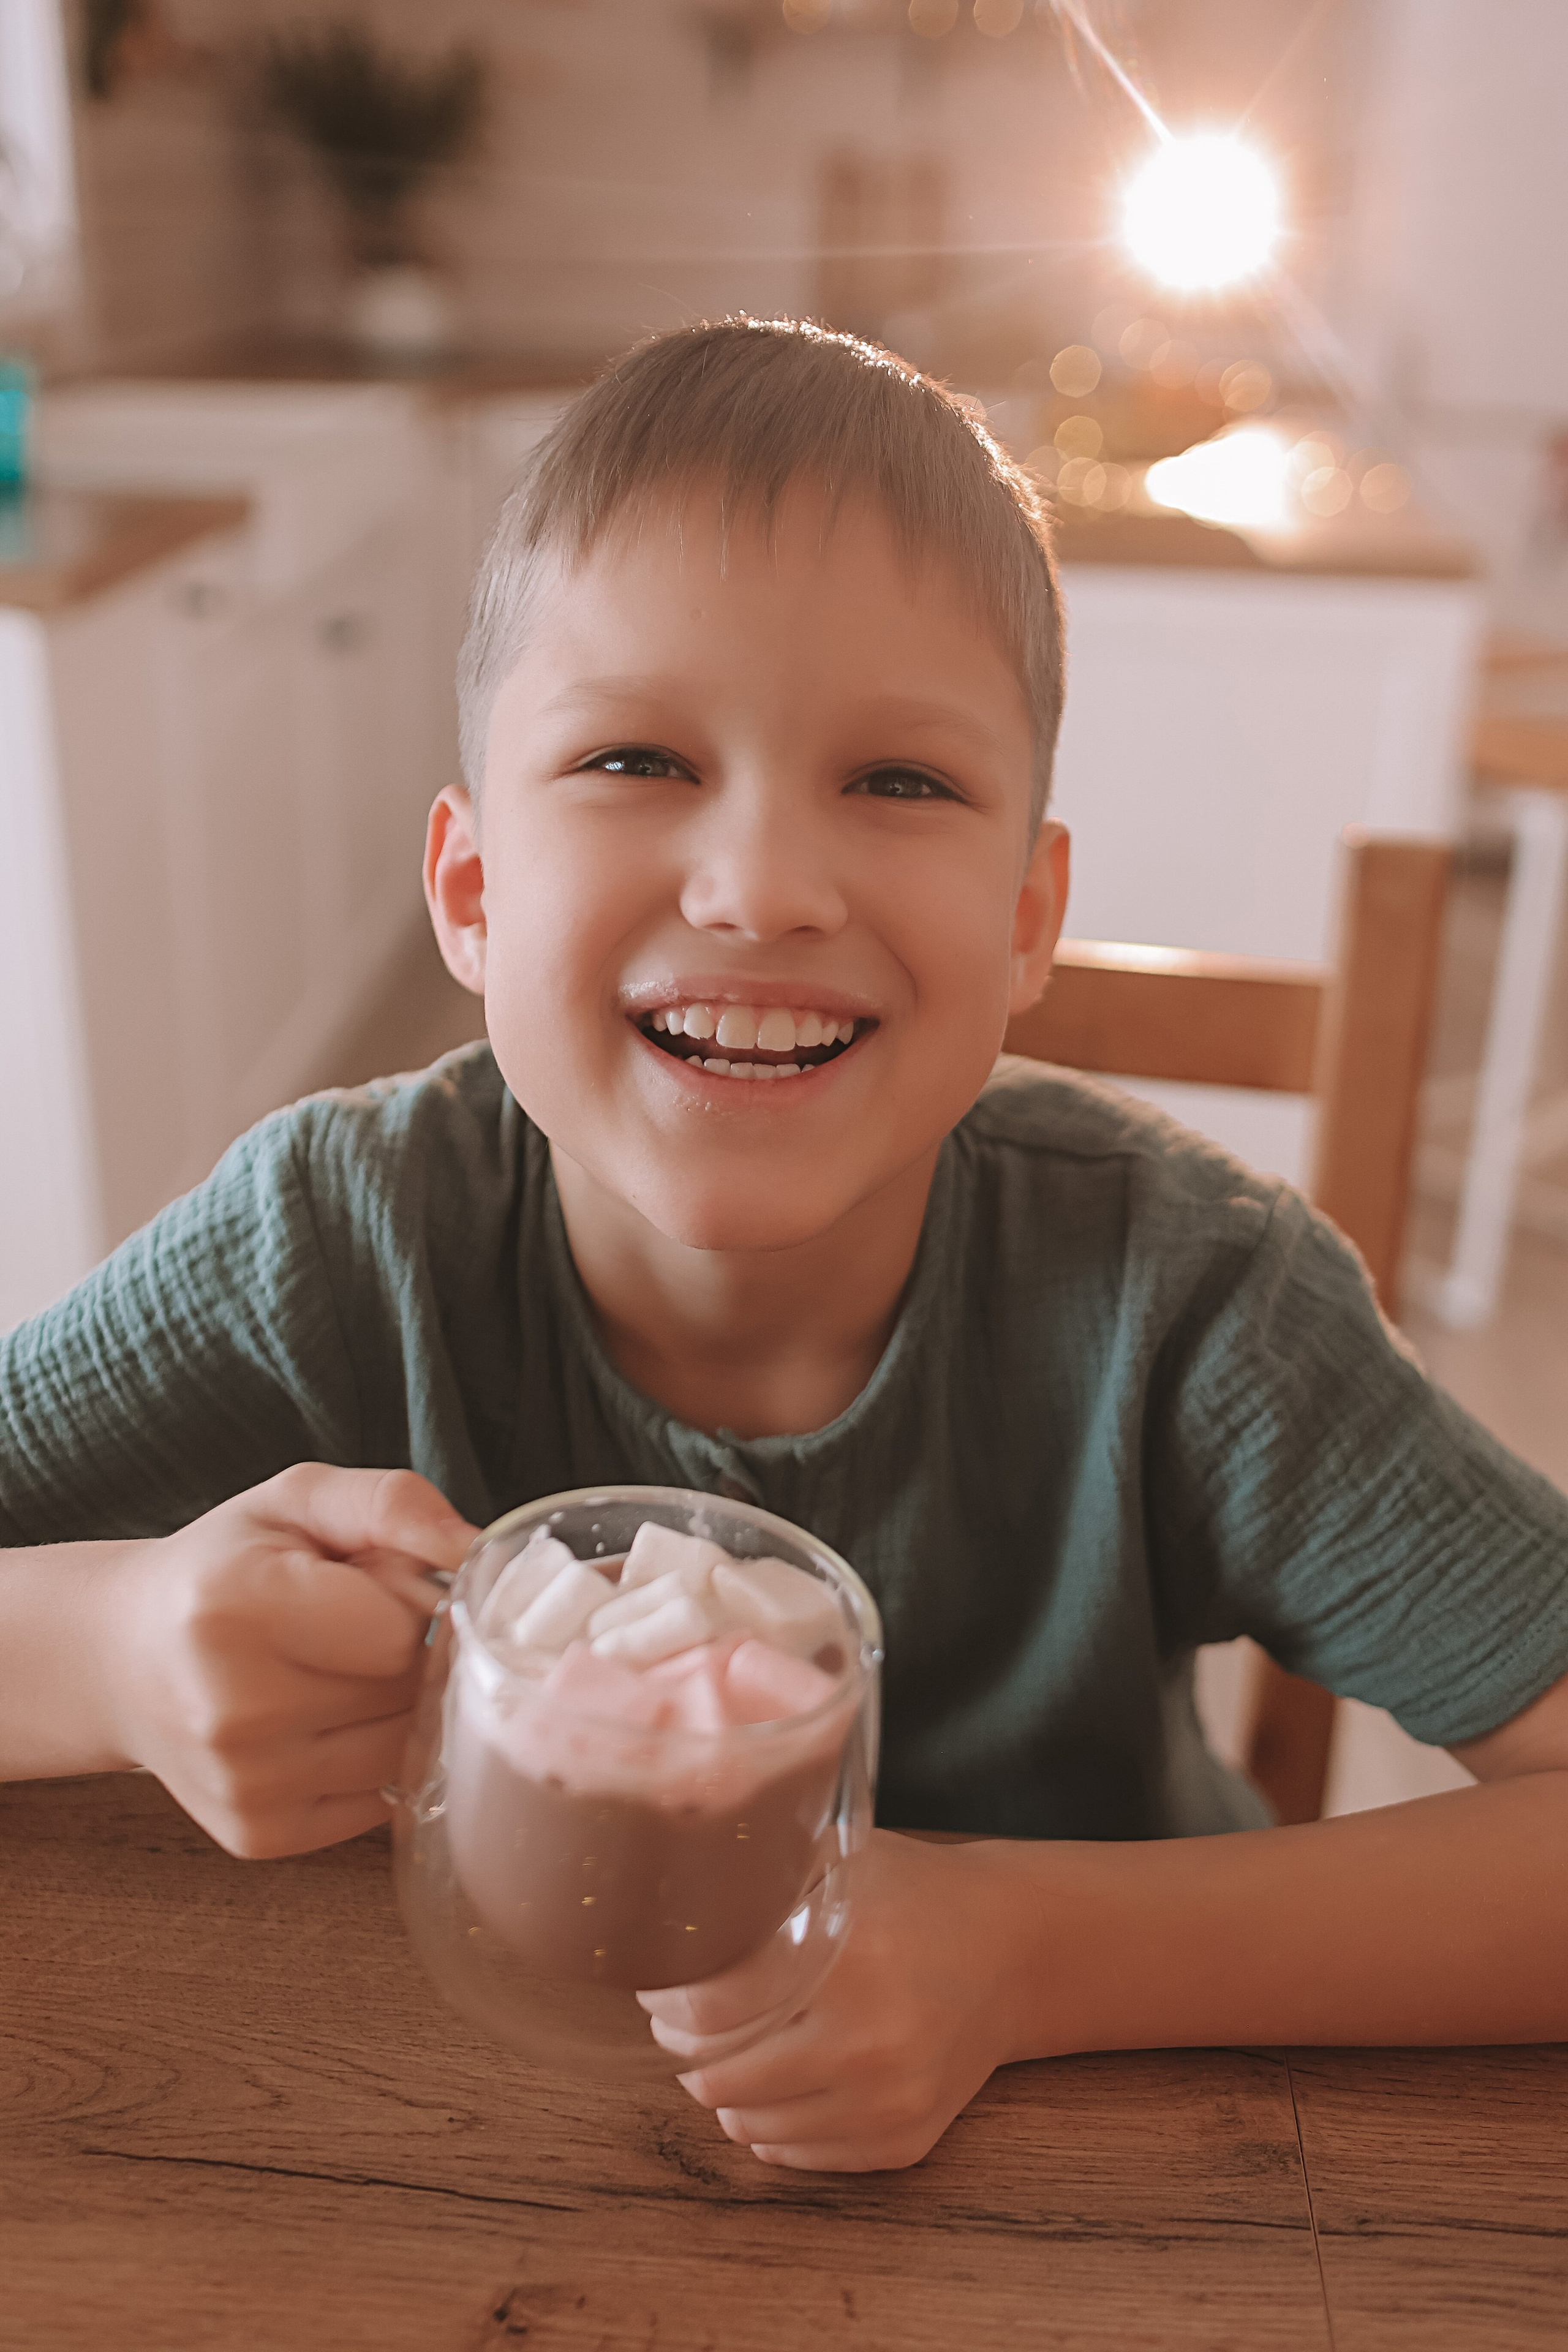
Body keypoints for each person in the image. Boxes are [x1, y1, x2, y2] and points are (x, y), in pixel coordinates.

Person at [2, 318, 1566, 2174]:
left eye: (899, 782)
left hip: (1109, 2183)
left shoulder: (1193, 1299)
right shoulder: (332, 1245)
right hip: (440, 2163)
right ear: (476, 892)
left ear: (1026, 915)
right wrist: (105, 1649)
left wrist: (1031, 1957)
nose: (760, 888)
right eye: (638, 756)